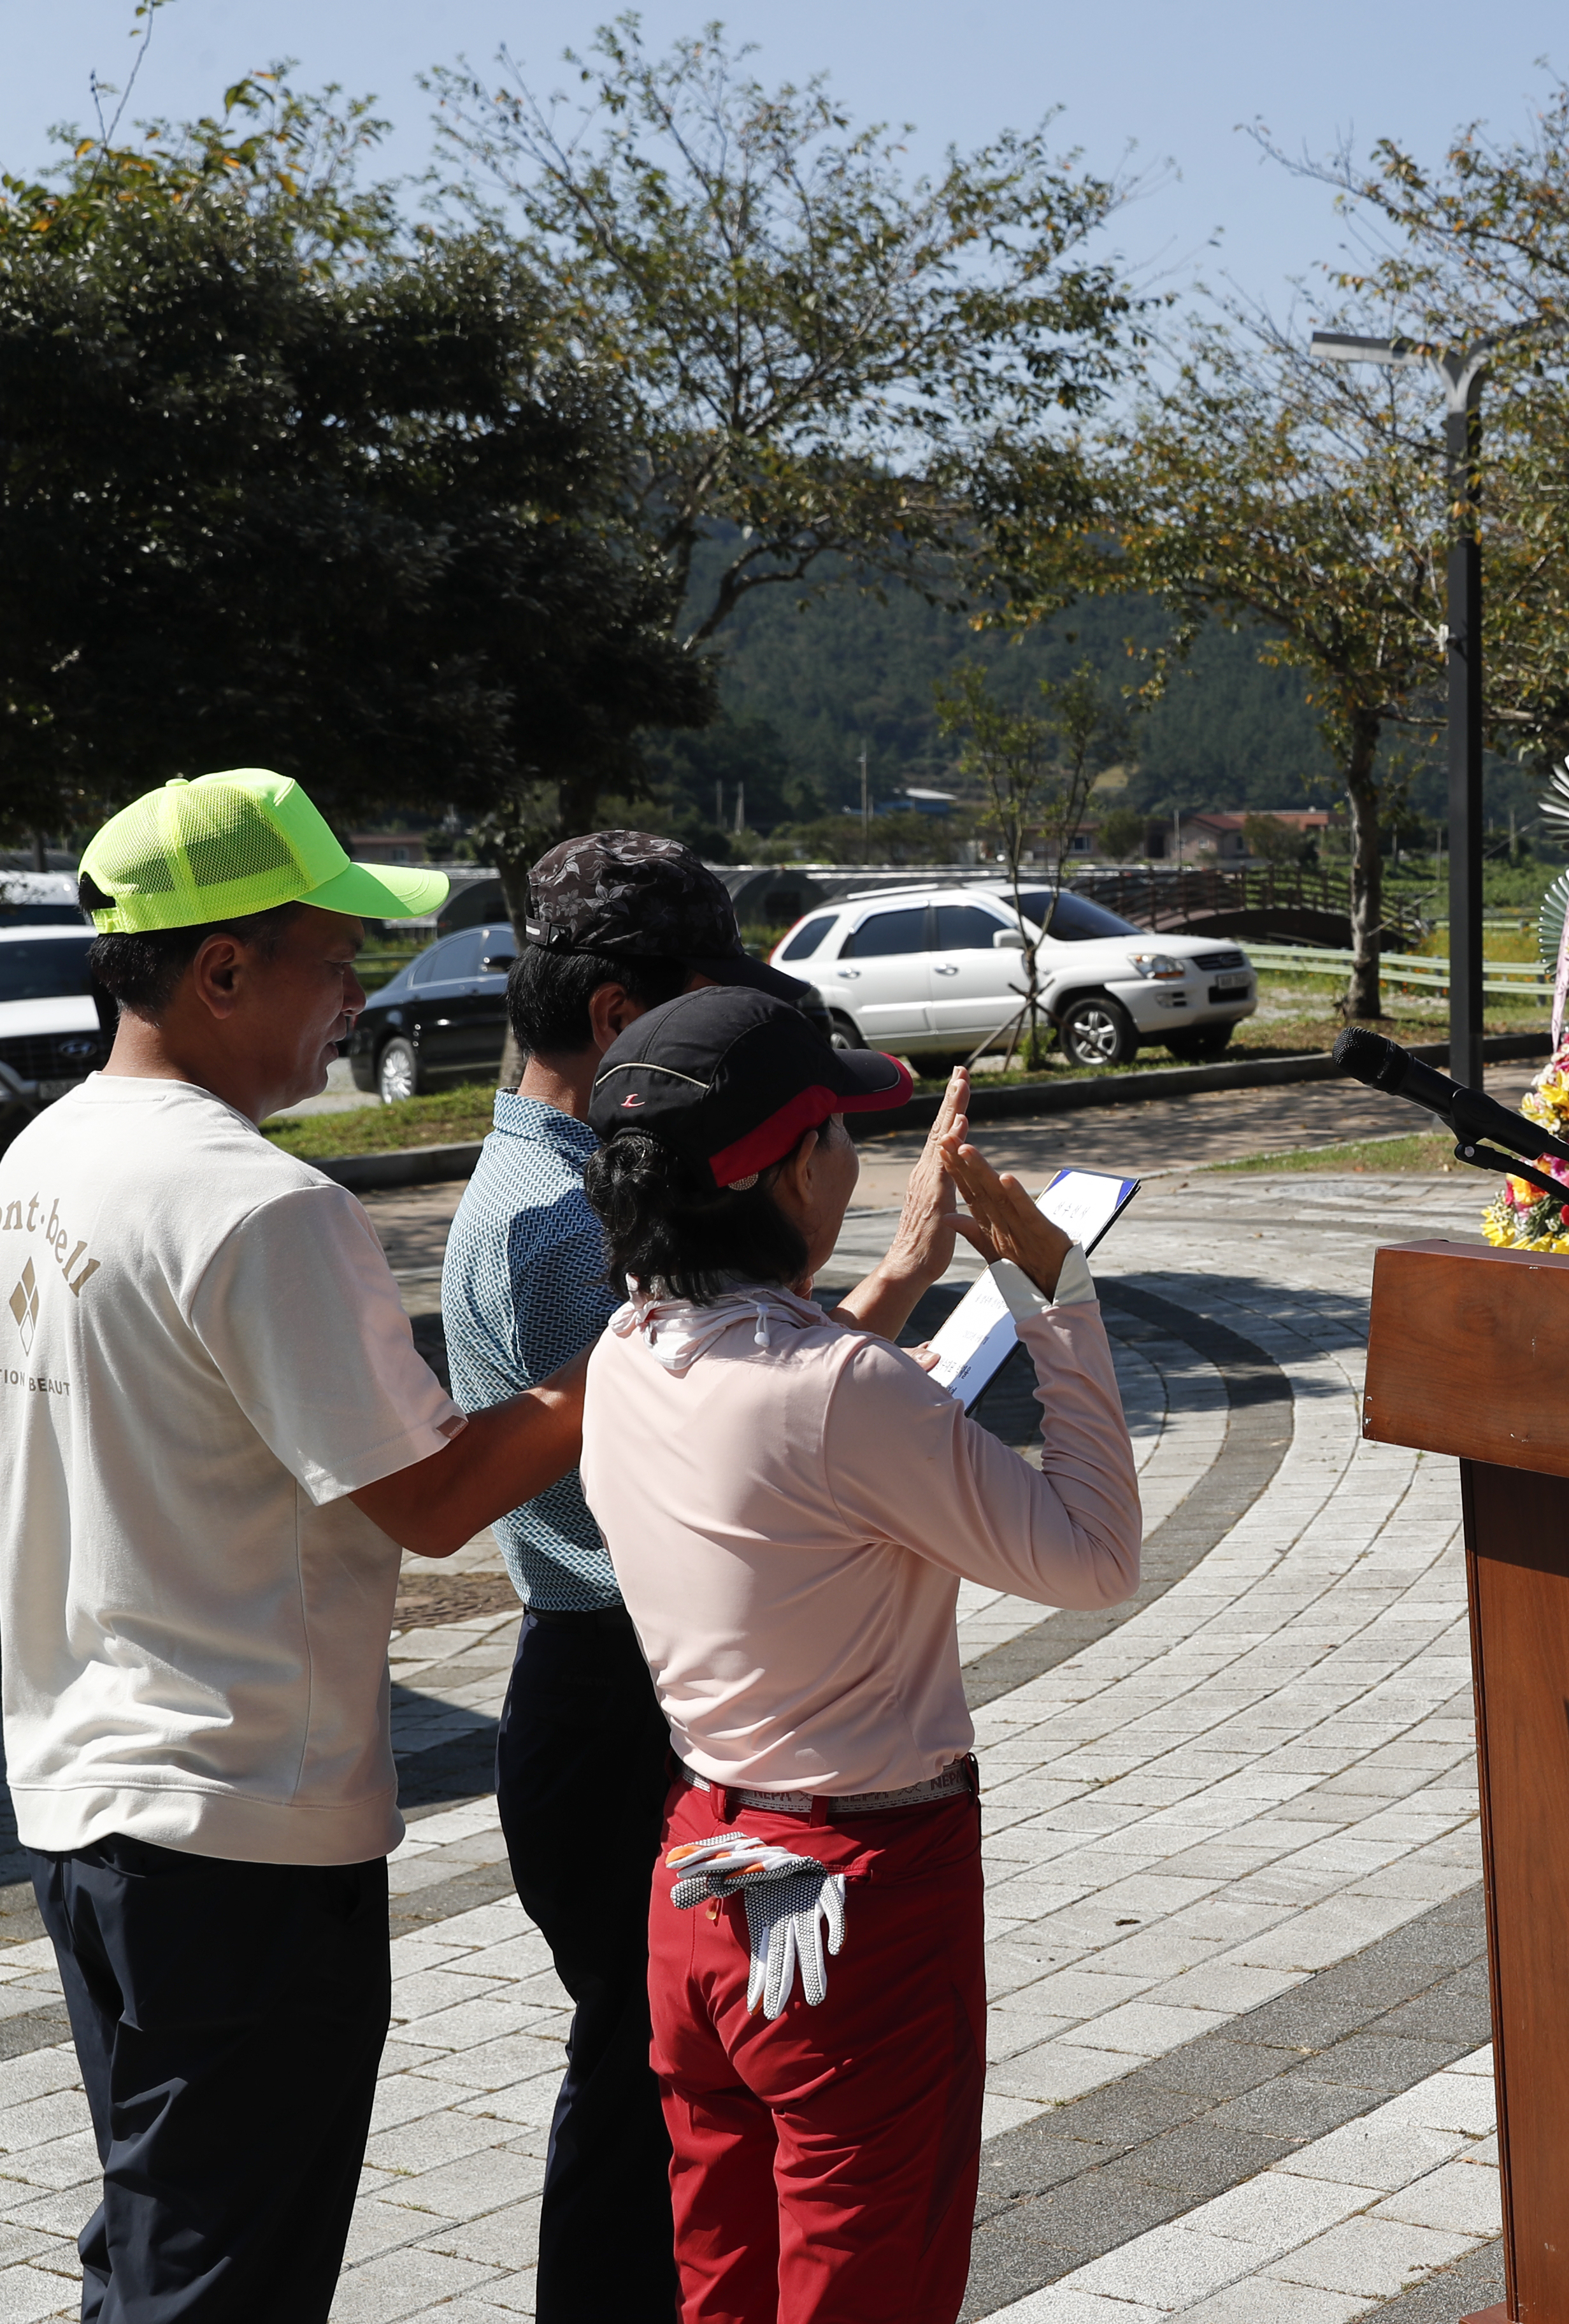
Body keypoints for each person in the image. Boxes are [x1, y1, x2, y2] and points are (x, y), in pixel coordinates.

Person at [0, 770, 598, 2321]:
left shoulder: (45, 1157)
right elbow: (435, 1498)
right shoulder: (263, 1210)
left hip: (85, 1796)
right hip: (239, 1824)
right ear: (220, 969)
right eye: (335, 962)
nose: (357, 997)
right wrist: (647, 1355)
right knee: (224, 2281)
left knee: (156, 2238)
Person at [443, 831, 969, 2320]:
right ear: (618, 1024)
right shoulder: (563, 1222)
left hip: (617, 1682)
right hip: (616, 1694)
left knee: (652, 2092)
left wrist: (864, 1330)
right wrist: (871, 1370)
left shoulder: (547, 1182)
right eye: (690, 1013)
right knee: (637, 2114)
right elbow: (698, 1455)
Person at [577, 987, 1142, 2323]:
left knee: (725, 2273)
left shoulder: (622, 1352)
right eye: (834, 1131)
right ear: (781, 1171)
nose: (850, 1157)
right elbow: (1095, 1555)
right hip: (858, 1905)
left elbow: (796, 1431)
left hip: (703, 1875)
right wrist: (1053, 1288)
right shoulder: (840, 1390)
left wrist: (897, 1280)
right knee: (863, 2284)